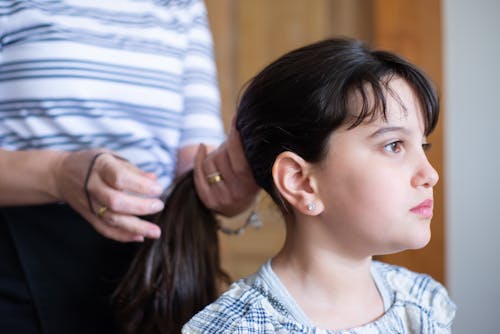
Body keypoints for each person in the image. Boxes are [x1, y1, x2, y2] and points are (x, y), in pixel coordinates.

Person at [120, 38, 456, 333]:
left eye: (422, 146)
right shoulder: (239, 327)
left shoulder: (424, 303)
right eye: (393, 145)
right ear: (301, 182)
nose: (430, 174)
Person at [0, 1, 258, 334]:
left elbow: (197, 169)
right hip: (17, 260)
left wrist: (233, 183)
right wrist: (58, 173)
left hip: (148, 272)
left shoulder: (181, 7)